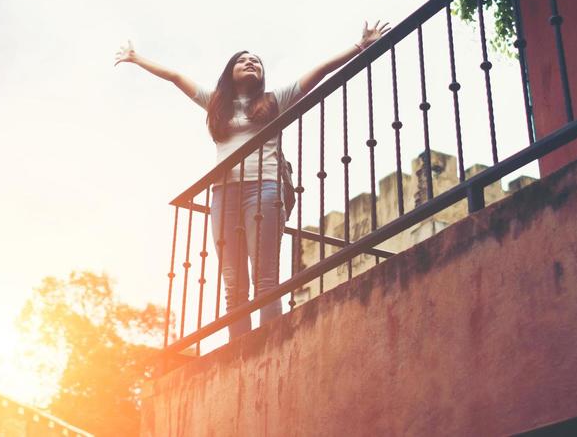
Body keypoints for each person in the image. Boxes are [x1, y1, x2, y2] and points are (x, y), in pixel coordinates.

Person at [115, 23, 389, 338]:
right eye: (243, 60)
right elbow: (177, 77)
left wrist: (359, 46)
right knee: (233, 283)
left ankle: (270, 342)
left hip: (265, 189)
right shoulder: (216, 104)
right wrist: (137, 58)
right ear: (229, 71)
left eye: (256, 61)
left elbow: (321, 71)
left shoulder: (275, 100)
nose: (251, 63)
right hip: (223, 195)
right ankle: (238, 353)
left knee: (265, 278)